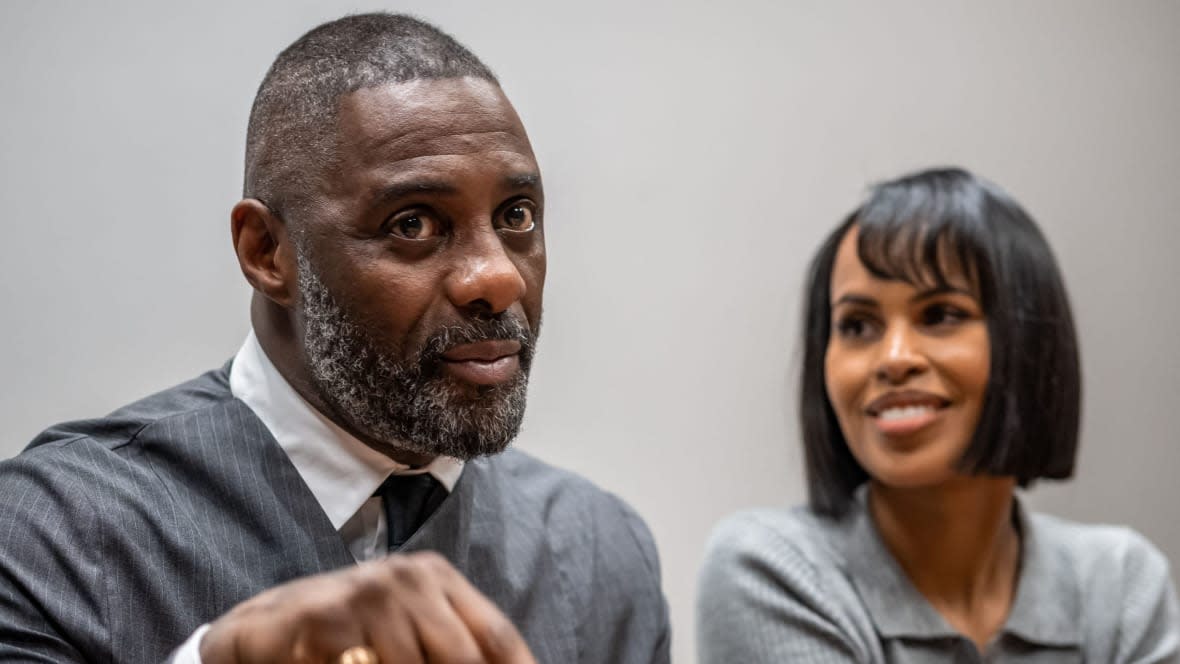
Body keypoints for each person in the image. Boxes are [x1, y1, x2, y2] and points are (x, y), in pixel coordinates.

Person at [0, 13, 669, 664]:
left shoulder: (598, 553)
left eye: (516, 216)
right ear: (267, 252)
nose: (495, 276)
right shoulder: (57, 535)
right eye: (414, 224)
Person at [696, 167, 1180, 662]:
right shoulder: (771, 570)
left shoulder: (1122, 585)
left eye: (941, 315)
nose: (893, 357)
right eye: (858, 325)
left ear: (1029, 343)